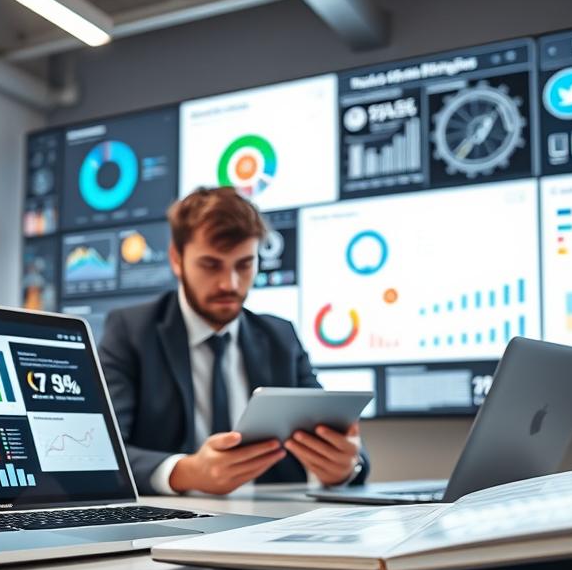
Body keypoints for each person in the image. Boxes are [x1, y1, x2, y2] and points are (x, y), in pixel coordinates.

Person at [99, 186, 369, 495]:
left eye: (244, 265)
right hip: (174, 519)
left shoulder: (281, 337)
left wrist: (346, 467)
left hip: (273, 525)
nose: (230, 283)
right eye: (211, 265)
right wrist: (184, 472)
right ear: (176, 259)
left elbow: (342, 441)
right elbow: (103, 451)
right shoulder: (131, 331)